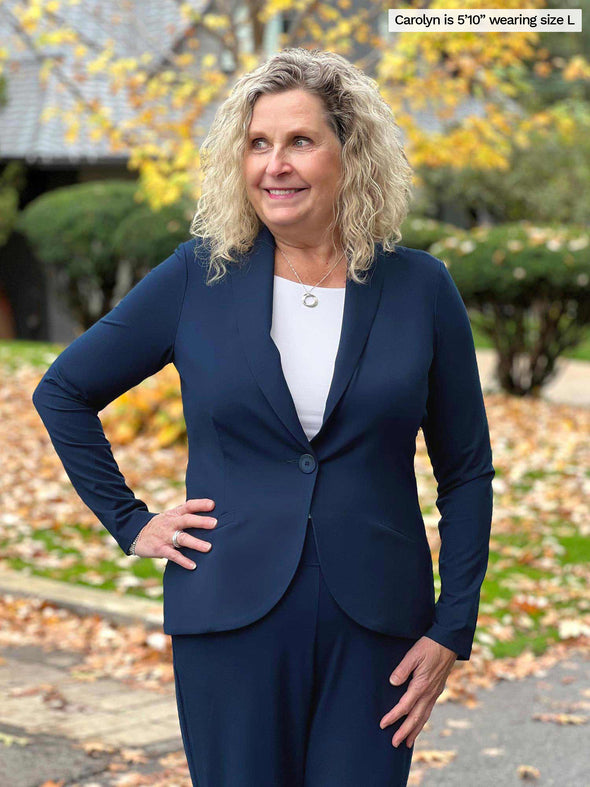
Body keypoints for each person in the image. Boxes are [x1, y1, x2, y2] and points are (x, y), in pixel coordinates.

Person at [32, 47, 495, 787]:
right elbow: (62, 391)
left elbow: (467, 471)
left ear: (352, 154)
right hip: (228, 614)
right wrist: (129, 518)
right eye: (258, 144)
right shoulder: (197, 276)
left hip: (377, 627)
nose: (274, 164)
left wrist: (452, 628)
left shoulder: (422, 289)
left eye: (300, 141)